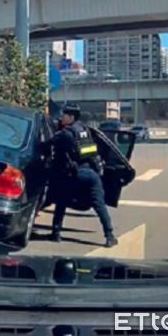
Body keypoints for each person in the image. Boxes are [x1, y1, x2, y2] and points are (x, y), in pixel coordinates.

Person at [45, 103, 118, 247]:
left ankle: (56, 233)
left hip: (73, 174)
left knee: (61, 202)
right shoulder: (85, 130)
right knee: (100, 205)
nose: (61, 117)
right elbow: (92, 153)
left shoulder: (65, 133)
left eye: (64, 115)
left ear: (71, 117)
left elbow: (47, 144)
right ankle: (110, 236)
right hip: (90, 174)